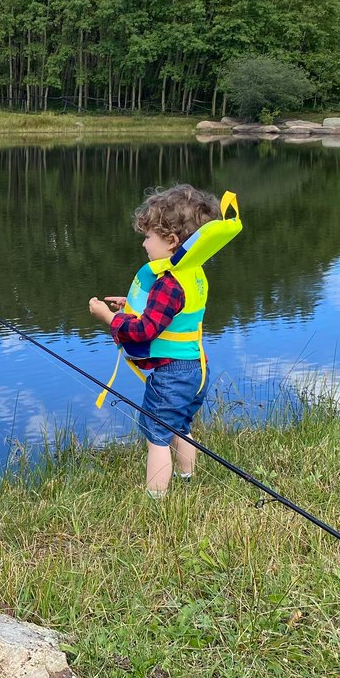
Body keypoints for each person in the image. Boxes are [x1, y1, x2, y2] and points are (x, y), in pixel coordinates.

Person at [88, 184, 238, 499]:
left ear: (170, 241)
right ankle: (187, 478)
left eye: (148, 236)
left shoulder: (169, 283)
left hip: (172, 374)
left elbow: (144, 332)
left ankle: (156, 502)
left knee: (157, 435)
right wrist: (128, 308)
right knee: (180, 426)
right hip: (196, 368)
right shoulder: (193, 272)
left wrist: (108, 318)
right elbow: (168, 316)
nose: (143, 243)